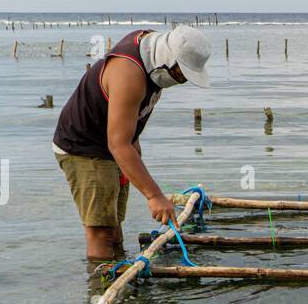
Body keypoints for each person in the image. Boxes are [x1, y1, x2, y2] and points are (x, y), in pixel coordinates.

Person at [52, 26, 211, 260]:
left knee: (114, 226)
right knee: (101, 232)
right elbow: (119, 144)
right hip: (84, 147)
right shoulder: (128, 74)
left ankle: (118, 272)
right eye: (180, 74)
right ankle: (100, 289)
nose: (181, 81)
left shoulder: (152, 50)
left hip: (115, 146)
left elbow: (129, 129)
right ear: (167, 59)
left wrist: (132, 166)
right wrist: (154, 196)